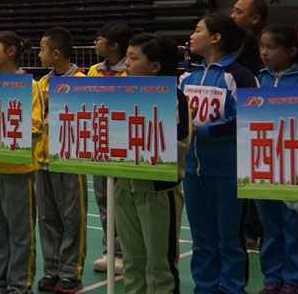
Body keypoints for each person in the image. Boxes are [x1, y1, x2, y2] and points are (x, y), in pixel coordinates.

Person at [180, 14, 258, 294]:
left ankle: (233, 287)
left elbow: (249, 116)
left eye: (197, 29)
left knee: (229, 237)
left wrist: (204, 131)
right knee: (201, 237)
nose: (192, 35)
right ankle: (205, 286)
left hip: (228, 171)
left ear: (216, 38)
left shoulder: (238, 75)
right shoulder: (186, 77)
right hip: (192, 171)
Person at [115, 34, 189, 294]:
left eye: (134, 58)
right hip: (123, 189)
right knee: (133, 263)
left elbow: (179, 143)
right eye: (126, 57)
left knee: (160, 265)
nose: (126, 64)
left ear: (155, 66)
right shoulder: (118, 95)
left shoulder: (175, 98)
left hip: (159, 191)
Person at [0, 31, 40, 294]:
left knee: (20, 233)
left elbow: (35, 127)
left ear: (11, 51)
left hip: (17, 171)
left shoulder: (29, 85)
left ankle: (19, 284)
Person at [35, 27, 87, 294]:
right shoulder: (41, 83)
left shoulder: (82, 80)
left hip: (69, 161)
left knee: (72, 218)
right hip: (41, 161)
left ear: (56, 53)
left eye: (42, 49)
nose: (39, 53)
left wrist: (55, 102)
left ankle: (71, 272)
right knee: (47, 218)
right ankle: (51, 269)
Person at [254, 25, 298, 294]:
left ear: (291, 51)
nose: (264, 52)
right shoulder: (258, 78)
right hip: (262, 162)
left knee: (293, 225)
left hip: (294, 163)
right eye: (262, 46)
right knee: (269, 225)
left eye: (270, 47)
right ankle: (272, 278)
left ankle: (293, 280)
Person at [88, 20, 132, 273]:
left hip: (124, 146)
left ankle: (126, 252)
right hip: (98, 145)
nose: (96, 43)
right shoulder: (94, 70)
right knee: (104, 200)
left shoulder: (131, 71)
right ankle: (110, 251)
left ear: (114, 46)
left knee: (123, 202)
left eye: (100, 40)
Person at [232, 0, 268, 73]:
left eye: (238, 12)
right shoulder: (233, 36)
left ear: (255, 19)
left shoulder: (268, 38)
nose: (232, 16)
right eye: (233, 11)